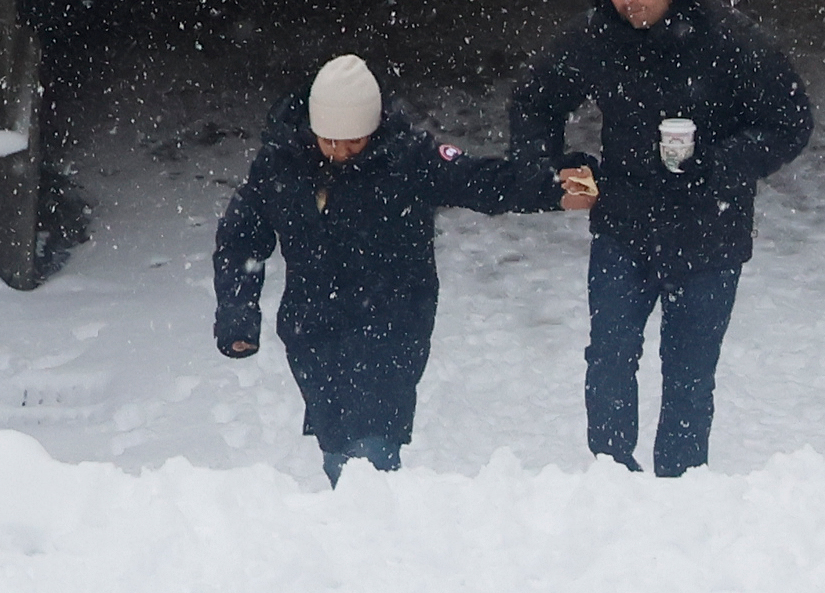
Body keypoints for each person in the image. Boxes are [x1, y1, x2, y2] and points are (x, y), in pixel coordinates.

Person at [505, 0, 812, 476]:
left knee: (689, 373)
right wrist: (550, 164)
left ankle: (679, 491)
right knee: (609, 361)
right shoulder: (596, 37)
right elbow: (534, 101)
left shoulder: (730, 41)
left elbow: (789, 121)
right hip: (624, 227)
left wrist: (721, 165)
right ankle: (611, 483)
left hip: (709, 235)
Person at [212, 51, 577, 481]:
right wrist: (238, 315)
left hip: (392, 321)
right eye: (329, 140)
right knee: (337, 443)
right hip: (313, 328)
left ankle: (367, 526)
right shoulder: (281, 164)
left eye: (354, 141)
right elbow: (240, 239)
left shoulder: (408, 158)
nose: (340, 153)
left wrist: (553, 190)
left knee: (371, 449)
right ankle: (362, 525)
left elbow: (481, 181)